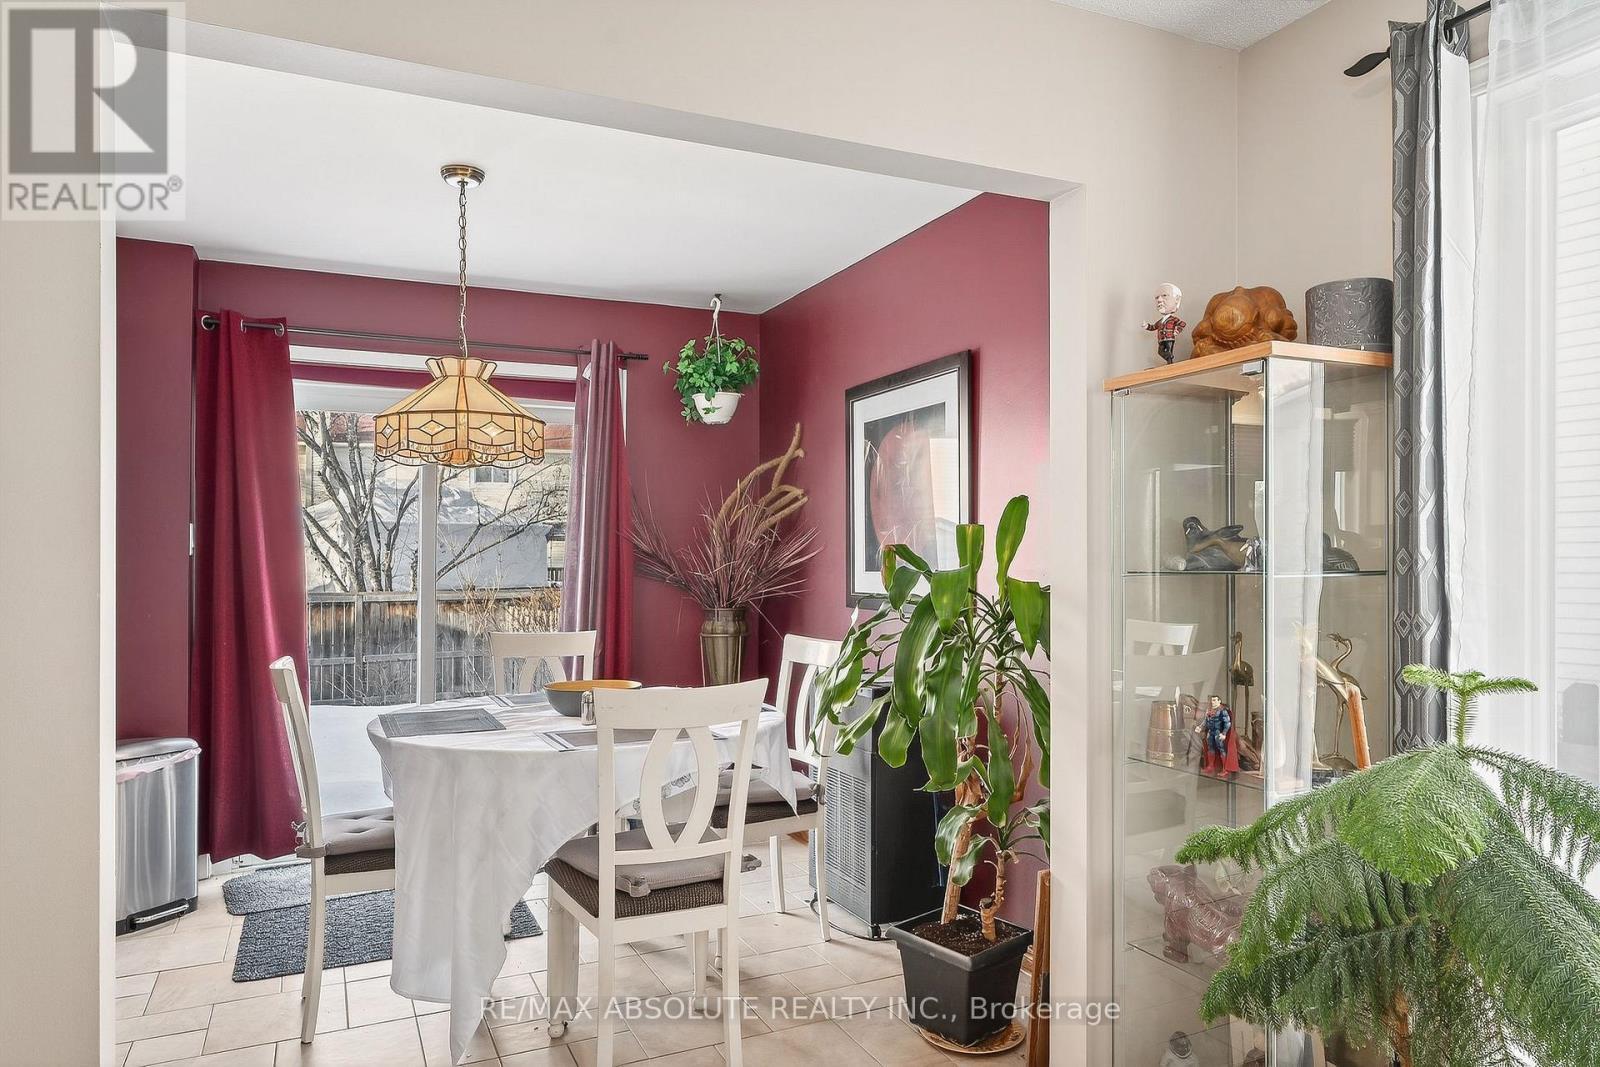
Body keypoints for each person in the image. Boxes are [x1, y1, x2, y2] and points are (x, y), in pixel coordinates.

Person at [1144, 282, 1186, 364]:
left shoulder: (1173, 319)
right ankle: (1169, 359)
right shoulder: (1160, 321)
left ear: (1177, 299)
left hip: (1169, 338)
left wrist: (1177, 331)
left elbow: (1182, 324)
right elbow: (1153, 327)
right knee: (1160, 352)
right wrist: (1146, 326)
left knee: (1168, 350)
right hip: (1161, 339)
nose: (1159, 300)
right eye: (1156, 297)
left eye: (1164, 295)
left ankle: (1170, 361)